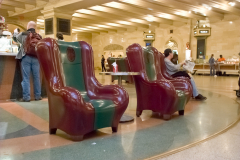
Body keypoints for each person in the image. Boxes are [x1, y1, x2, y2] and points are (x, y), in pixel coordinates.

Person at [13, 21, 42, 102]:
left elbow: (15, 39)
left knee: (26, 78)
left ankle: (26, 97)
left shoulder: (23, 34)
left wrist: (15, 33)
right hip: (36, 58)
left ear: (28, 26)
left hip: (26, 57)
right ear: (35, 27)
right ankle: (38, 96)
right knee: (37, 77)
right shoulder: (39, 36)